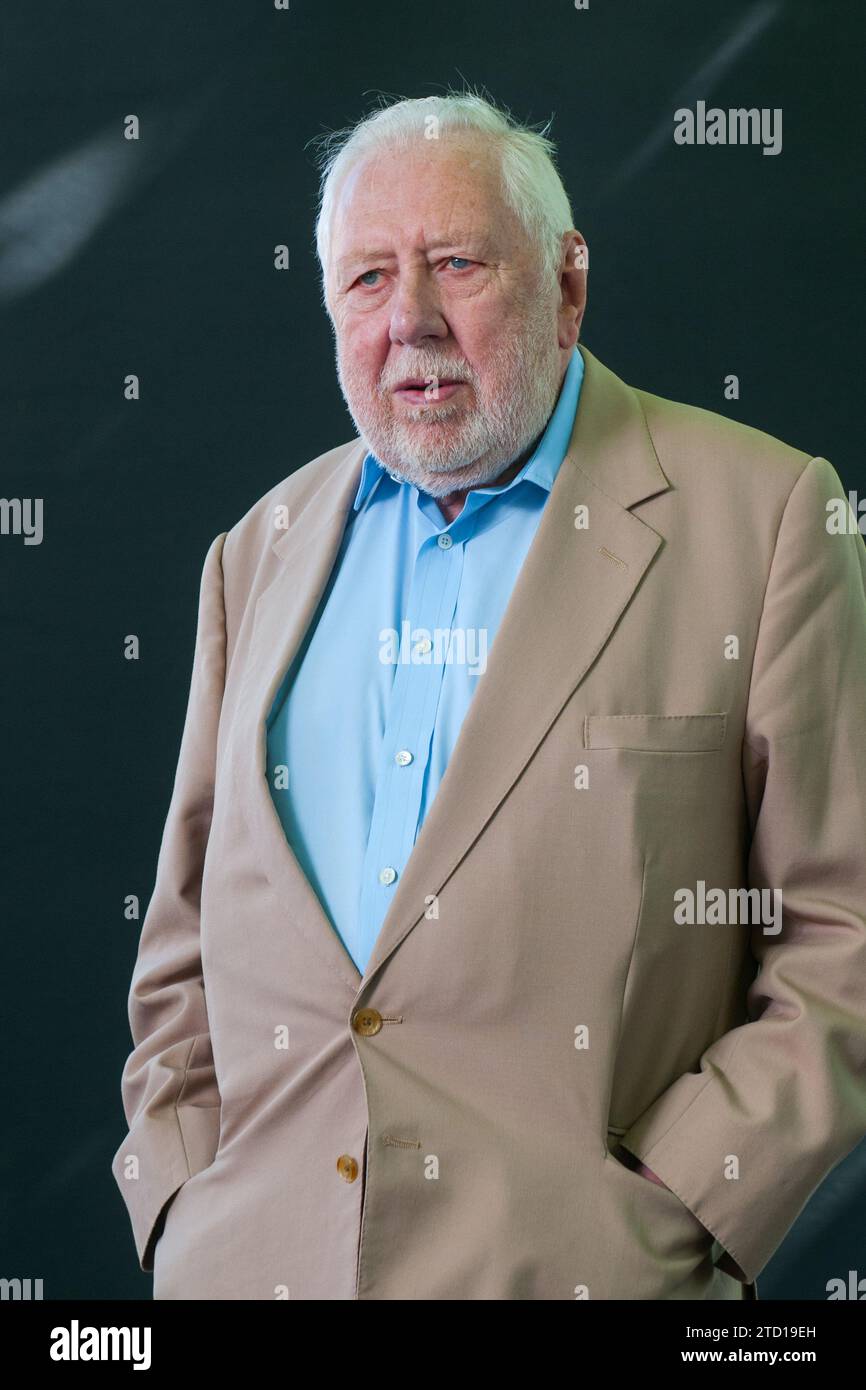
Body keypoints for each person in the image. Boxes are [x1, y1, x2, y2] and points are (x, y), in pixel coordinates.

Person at [111, 90, 866, 1300]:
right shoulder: (254, 553)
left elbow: (844, 939)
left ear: (567, 286)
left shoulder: (767, 520)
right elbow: (181, 951)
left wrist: (675, 1216)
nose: (408, 321)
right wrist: (180, 1199)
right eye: (365, 280)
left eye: (454, 264)